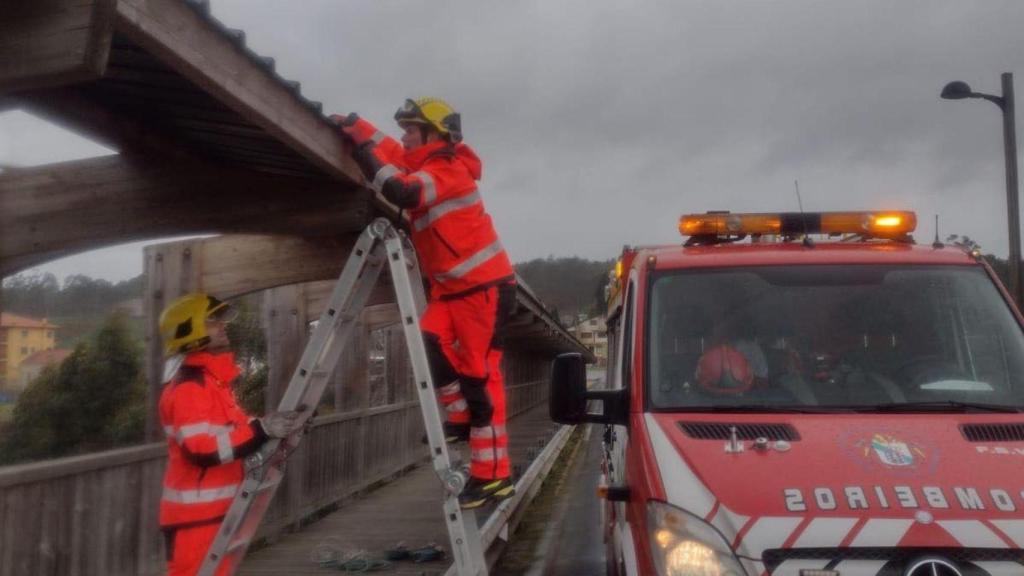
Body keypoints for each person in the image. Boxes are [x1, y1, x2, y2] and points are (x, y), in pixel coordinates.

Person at [331, 97, 516, 509]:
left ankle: (494, 476)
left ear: (433, 135)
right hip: (453, 292)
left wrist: (362, 154)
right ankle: (462, 418)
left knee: (481, 383)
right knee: (426, 344)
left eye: (411, 129)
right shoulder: (425, 160)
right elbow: (395, 153)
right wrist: (357, 126)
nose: (403, 136)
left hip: (482, 291)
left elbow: (401, 190)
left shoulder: (447, 171)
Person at [158, 293, 305, 576]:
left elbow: (238, 430)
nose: (223, 326)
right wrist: (262, 429)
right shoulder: (190, 388)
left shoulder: (213, 384)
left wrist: (276, 429)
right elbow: (202, 450)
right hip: (194, 521)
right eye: (213, 322)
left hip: (214, 515)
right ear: (190, 332)